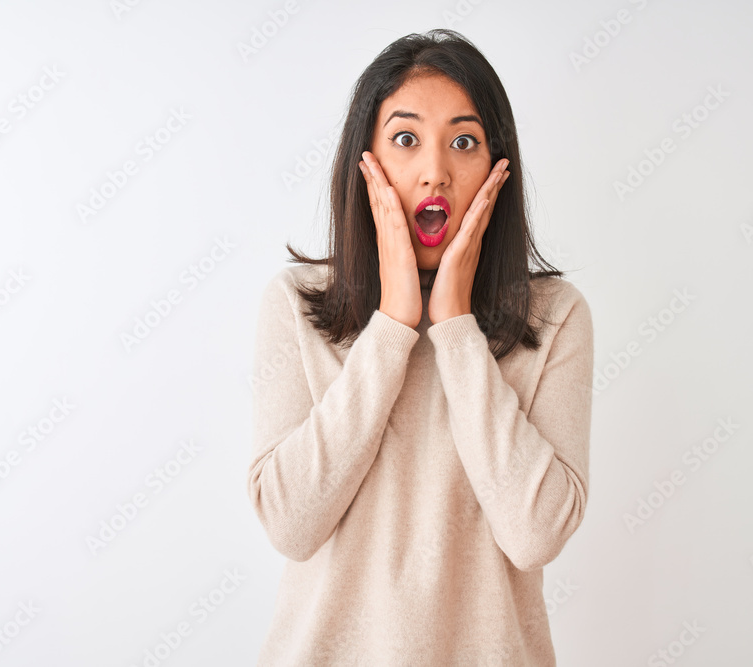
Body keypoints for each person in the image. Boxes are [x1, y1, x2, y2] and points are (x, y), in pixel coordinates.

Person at [247, 28, 594, 666]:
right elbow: (291, 525)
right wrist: (393, 326)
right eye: (406, 139)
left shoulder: (554, 317)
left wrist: (456, 327)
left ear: (497, 166)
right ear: (365, 162)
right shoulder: (297, 304)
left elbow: (535, 535)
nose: (435, 170)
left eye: (464, 142)